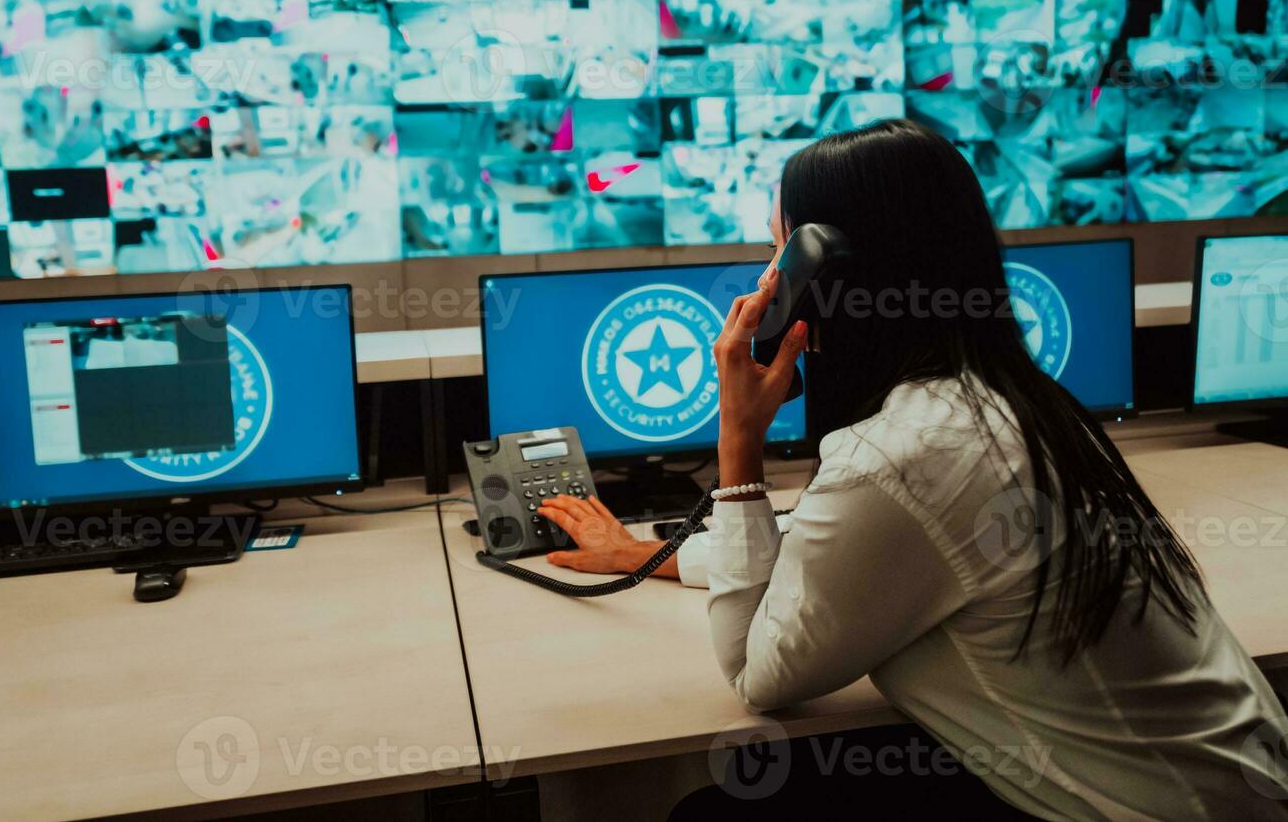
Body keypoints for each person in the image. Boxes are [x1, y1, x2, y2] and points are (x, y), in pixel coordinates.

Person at [536, 120, 1288, 818]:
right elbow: (854, 552)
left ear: (820, 269)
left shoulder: (899, 457)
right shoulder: (1016, 405)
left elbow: (757, 676)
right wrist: (657, 555)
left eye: (779, 253)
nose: (768, 280)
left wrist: (740, 445)